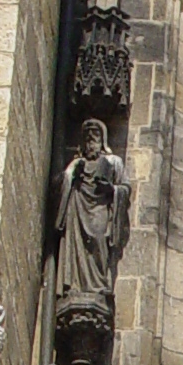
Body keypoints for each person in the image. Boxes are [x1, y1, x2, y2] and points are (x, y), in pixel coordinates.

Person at [55, 119, 130, 302]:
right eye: (87, 140)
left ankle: (100, 283)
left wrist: (111, 190)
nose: (90, 144)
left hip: (99, 209)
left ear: (102, 141)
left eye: (94, 139)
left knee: (98, 239)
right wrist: (71, 176)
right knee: (79, 245)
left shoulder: (113, 162)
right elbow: (62, 182)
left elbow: (125, 188)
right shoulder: (77, 163)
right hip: (79, 208)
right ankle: (76, 284)